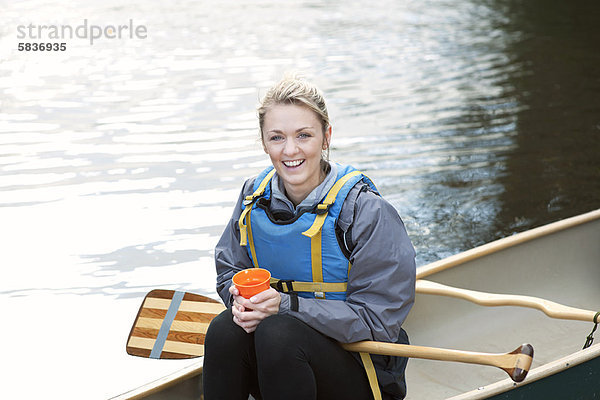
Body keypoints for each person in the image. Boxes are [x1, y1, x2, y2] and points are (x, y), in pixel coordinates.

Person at [203, 73, 416, 400]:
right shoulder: (252, 198)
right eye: (277, 137)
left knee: (278, 332)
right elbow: (230, 270)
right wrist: (241, 302)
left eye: (304, 135)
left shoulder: (366, 211)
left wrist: (285, 306)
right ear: (263, 142)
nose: (290, 150)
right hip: (280, 368)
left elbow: (378, 322)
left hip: (360, 372)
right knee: (223, 330)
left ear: (326, 137)